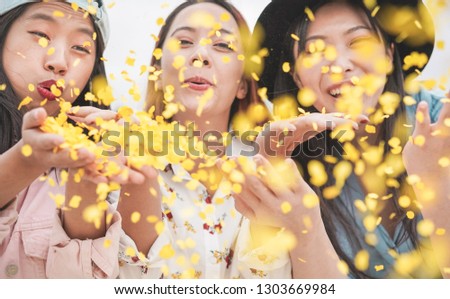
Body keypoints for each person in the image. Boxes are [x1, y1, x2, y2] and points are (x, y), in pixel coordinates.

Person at [116, 0, 344, 279]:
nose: (200, 56)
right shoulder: (117, 166)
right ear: (158, 73)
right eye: (185, 41)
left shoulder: (281, 168)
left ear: (242, 84)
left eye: (222, 46)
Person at [253, 0, 448, 278]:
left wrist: (435, 186)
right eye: (315, 50)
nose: (340, 65)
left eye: (357, 42)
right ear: (296, 77)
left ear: (390, 55)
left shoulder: (442, 126)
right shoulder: (288, 164)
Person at [0, 0, 124, 278]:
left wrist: (88, 182)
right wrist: (25, 161)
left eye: (80, 48)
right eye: (41, 35)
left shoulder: (105, 155)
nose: (59, 62)